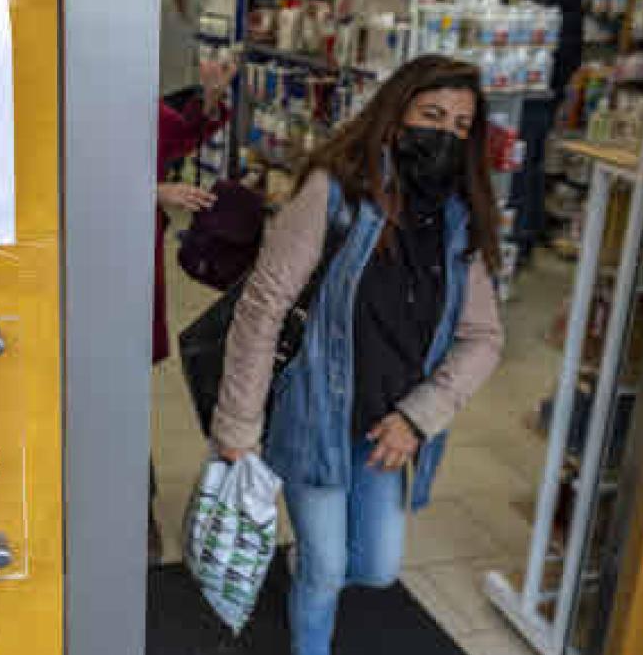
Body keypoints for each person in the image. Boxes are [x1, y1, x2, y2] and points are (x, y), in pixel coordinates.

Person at [211, 56, 504, 655]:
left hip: (388, 429)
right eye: (432, 114)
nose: (445, 133)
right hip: (314, 416)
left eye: (460, 125)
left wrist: (421, 415)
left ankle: (305, 563)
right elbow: (263, 306)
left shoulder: (458, 221)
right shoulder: (336, 192)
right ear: (396, 116)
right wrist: (238, 423)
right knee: (325, 571)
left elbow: (484, 337)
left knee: (377, 568)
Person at [148, 58, 234, 563]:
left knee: (127, 396)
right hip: (74, 263)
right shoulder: (55, 96)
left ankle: (138, 511)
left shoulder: (136, 101)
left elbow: (177, 137)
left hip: (130, 265)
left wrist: (209, 98)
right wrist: (151, 190)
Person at [516, 0, 583, 263]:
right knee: (532, 161)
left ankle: (522, 235)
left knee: (523, 162)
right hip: (548, 88)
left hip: (536, 89)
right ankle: (529, 231)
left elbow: (535, 37)